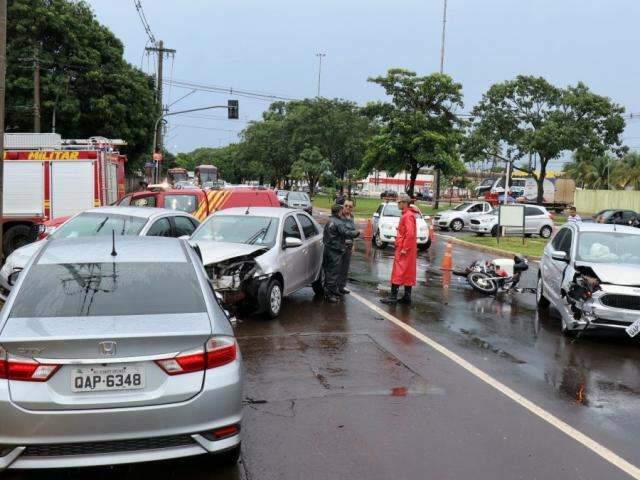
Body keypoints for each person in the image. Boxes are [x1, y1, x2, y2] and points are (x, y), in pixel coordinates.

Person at [381, 193, 417, 305]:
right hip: (407, 248)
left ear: (404, 203)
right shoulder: (408, 214)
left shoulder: (407, 215)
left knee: (398, 272)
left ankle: (393, 297)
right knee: (407, 272)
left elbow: (410, 233)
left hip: (404, 248)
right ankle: (407, 297)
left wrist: (404, 248)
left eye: (399, 202)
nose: (397, 204)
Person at [323, 204, 359, 303]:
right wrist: (357, 233)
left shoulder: (330, 221)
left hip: (329, 249)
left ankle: (333, 291)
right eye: (342, 209)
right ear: (339, 212)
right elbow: (346, 232)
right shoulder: (338, 222)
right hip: (335, 250)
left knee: (331, 271)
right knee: (333, 272)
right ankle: (329, 294)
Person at [338, 200, 357, 295]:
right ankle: (335, 288)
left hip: (349, 246)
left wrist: (353, 244)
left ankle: (341, 286)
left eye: (350, 206)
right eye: (346, 206)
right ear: (343, 206)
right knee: (337, 267)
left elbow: (353, 231)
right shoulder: (339, 217)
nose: (348, 208)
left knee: (345, 267)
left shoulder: (352, 217)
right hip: (340, 245)